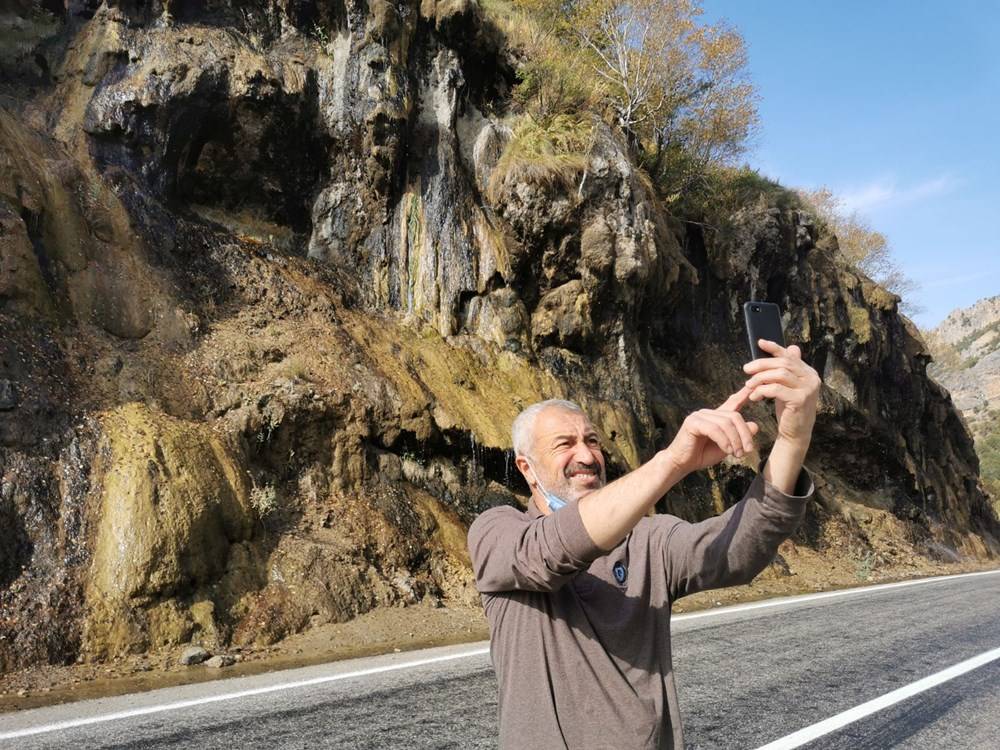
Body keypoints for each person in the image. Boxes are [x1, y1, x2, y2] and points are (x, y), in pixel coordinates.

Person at [467, 338, 821, 749]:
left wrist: (794, 438)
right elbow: (551, 551)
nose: (586, 454)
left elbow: (737, 549)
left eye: (592, 440)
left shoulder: (648, 539)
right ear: (526, 468)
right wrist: (672, 462)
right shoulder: (497, 532)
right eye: (565, 444)